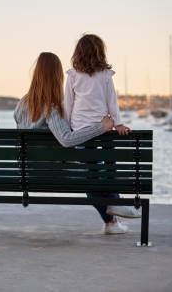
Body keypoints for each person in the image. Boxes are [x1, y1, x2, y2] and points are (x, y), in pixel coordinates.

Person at [64, 33, 141, 234]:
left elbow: (68, 105)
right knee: (110, 169)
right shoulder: (105, 74)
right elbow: (111, 102)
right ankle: (116, 205)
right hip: (104, 128)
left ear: (78, 52)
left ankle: (111, 216)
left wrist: (67, 129)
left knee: (92, 175)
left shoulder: (73, 75)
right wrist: (119, 124)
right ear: (100, 52)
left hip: (81, 130)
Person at [13, 52, 114, 147]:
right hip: (51, 164)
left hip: (25, 163)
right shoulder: (51, 108)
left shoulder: (22, 103)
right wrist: (101, 127)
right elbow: (66, 139)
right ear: (57, 76)